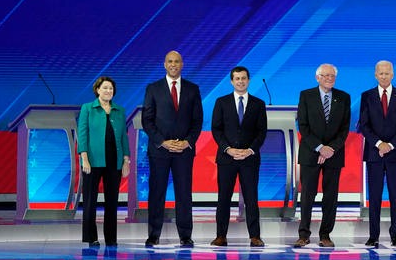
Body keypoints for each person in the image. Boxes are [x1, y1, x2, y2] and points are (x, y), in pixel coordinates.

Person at [142, 50, 203, 248]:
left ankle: (185, 235)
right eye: (170, 61)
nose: (173, 64)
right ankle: (153, 235)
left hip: (184, 151)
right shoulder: (153, 88)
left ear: (182, 64)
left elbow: (197, 121)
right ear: (164, 64)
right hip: (160, 150)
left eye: (177, 61)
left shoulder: (193, 89)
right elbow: (147, 120)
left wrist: (187, 142)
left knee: (184, 193)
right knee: (157, 192)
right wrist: (163, 141)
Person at [293, 64, 351, 248]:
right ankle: (304, 235)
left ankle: (325, 235)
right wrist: (319, 148)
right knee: (308, 196)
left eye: (332, 75)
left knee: (330, 197)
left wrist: (330, 149)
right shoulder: (306, 95)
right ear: (317, 77)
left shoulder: (343, 97)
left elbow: (344, 129)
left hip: (334, 154)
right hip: (310, 152)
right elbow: (303, 125)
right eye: (325, 75)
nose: (329, 78)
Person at [210, 66, 268, 247]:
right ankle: (221, 236)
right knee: (224, 198)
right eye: (237, 78)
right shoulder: (221, 102)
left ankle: (255, 236)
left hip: (249, 159)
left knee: (251, 198)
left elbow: (261, 131)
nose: (241, 81)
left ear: (248, 80)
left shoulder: (258, 104)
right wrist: (228, 148)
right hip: (227, 158)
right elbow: (216, 129)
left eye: (244, 78)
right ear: (231, 81)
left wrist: (250, 150)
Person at [358, 60, 396, 248]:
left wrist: (391, 145)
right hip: (374, 154)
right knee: (375, 197)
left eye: (387, 73)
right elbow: (363, 125)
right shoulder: (367, 96)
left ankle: (395, 234)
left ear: (393, 74)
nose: (384, 76)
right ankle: (374, 236)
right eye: (380, 73)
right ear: (375, 74)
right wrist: (379, 144)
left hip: (395, 155)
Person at [77, 76, 131, 247]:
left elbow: (123, 137)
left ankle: (111, 238)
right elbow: (82, 134)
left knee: (112, 202)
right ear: (97, 90)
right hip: (92, 161)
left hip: (114, 161)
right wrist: (84, 158)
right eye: (105, 88)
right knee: (90, 201)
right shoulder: (87, 108)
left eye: (111, 89)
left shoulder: (119, 110)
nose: (108, 91)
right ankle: (91, 237)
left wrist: (126, 161)